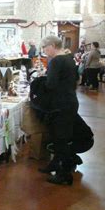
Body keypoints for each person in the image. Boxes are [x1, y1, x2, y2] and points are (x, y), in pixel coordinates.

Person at [39, 35, 79, 185]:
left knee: (59, 139)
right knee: (60, 137)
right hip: (70, 101)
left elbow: (51, 85)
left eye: (44, 47)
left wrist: (42, 78)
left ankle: (65, 174)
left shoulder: (56, 60)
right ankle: (55, 164)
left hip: (60, 104)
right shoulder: (69, 58)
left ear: (52, 46)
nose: (43, 50)